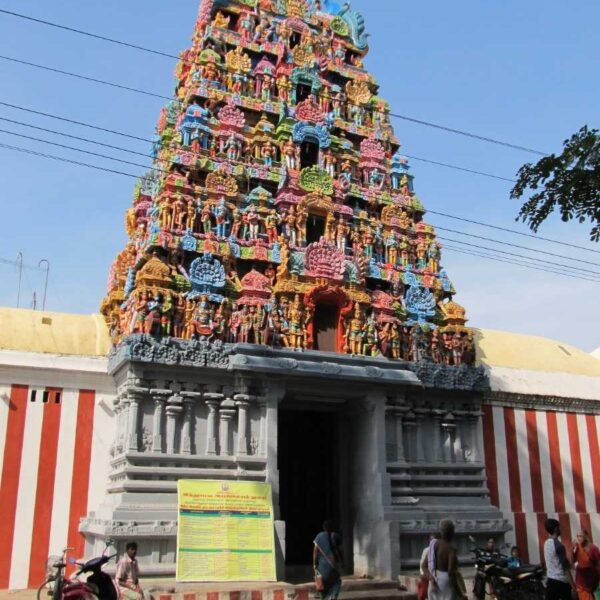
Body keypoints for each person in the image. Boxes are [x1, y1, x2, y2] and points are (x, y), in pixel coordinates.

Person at [422, 520, 467, 600]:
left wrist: (431, 579)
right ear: (451, 533)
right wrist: (460, 593)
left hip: (434, 581)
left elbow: (424, 566)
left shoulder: (435, 544)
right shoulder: (451, 549)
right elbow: (451, 572)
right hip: (446, 583)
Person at [544, 518, 574, 600]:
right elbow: (566, 568)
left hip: (550, 581)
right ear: (556, 529)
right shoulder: (559, 546)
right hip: (561, 582)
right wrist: (573, 587)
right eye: (559, 527)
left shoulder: (546, 543)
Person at [313, 520, 343, 600]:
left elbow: (315, 552)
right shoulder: (336, 536)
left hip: (323, 566)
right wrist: (342, 562)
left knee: (323, 585)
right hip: (334, 565)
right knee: (337, 582)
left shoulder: (319, 536)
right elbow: (340, 551)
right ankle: (334, 596)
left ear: (323, 527)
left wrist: (315, 564)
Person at [571, 529, 600, 600]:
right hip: (581, 582)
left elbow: (598, 564)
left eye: (580, 536)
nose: (578, 538)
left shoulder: (593, 548)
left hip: (592, 580)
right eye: (577, 536)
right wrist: (573, 549)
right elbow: (572, 561)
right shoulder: (577, 548)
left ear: (586, 536)